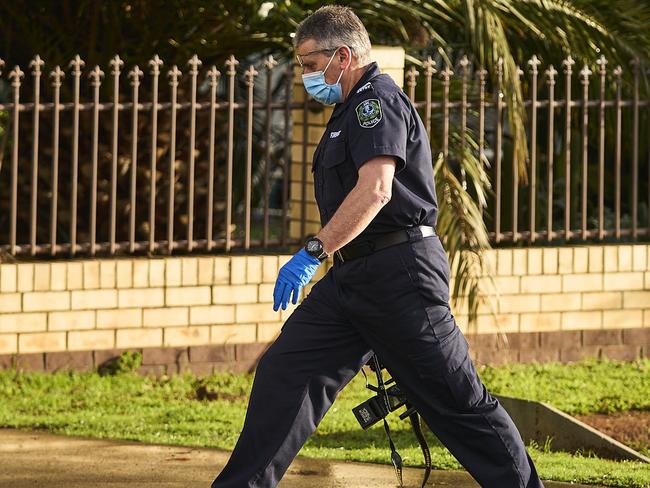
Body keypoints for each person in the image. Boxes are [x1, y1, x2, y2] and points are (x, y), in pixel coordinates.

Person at [211, 5, 544, 488]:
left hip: (400, 276)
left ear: (342, 56)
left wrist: (312, 252)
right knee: (285, 374)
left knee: (457, 401)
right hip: (351, 280)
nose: (302, 75)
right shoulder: (346, 111)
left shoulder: (375, 102)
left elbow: (376, 189)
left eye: (307, 63)